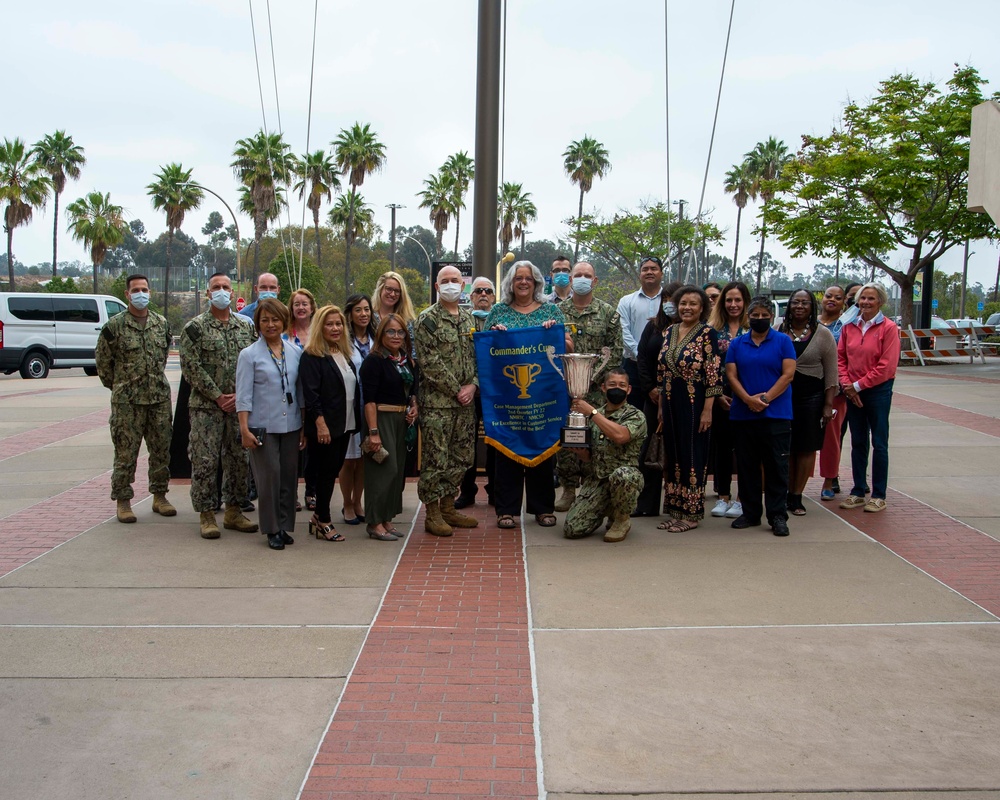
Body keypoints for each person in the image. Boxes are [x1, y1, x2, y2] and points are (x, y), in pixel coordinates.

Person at [484, 261, 568, 529]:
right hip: (507, 398)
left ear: (536, 283)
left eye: (528, 279)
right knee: (506, 451)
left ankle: (543, 508)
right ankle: (505, 510)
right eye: (518, 278)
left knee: (542, 447)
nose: (523, 282)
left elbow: (567, 347)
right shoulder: (498, 311)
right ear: (510, 282)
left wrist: (555, 334)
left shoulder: (552, 311)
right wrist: (495, 336)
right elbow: (485, 351)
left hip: (543, 396)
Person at [179, 272, 259, 539]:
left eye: (226, 287)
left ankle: (234, 510)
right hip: (206, 408)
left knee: (238, 459)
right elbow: (191, 367)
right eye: (217, 287)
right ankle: (206, 514)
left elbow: (253, 363)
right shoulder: (195, 327)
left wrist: (239, 396)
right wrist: (217, 396)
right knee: (205, 461)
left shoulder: (246, 326)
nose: (222, 291)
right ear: (208, 293)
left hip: (239, 406)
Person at [95, 273, 175, 523]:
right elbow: (103, 365)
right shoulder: (114, 327)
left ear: (150, 293)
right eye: (136, 290)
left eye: (145, 289)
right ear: (127, 295)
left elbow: (162, 356)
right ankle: (123, 500)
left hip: (158, 399)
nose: (141, 294)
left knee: (161, 450)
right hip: (127, 403)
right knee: (126, 453)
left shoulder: (161, 324)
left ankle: (159, 496)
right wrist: (122, 386)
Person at [414, 266, 479, 537]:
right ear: (437, 287)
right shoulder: (426, 320)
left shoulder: (469, 319)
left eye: (456, 280)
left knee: (461, 457)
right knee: (435, 459)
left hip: (465, 405)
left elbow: (479, 358)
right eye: (445, 281)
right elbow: (429, 363)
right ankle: (433, 513)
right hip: (438, 404)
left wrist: (473, 386)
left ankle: (448, 506)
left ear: (462, 286)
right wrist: (457, 389)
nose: (451, 284)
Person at [554, 261, 623, 512]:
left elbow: (615, 353)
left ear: (595, 282)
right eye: (578, 275)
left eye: (587, 275)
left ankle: (594, 487)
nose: (582, 279)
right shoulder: (556, 313)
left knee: (595, 438)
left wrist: (593, 380)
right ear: (571, 281)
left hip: (595, 391)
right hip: (564, 389)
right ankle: (569, 489)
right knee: (567, 437)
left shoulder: (608, 313)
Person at [236, 299, 305, 551]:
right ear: (257, 324)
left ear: (284, 321)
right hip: (261, 427)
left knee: (288, 478)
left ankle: (285, 525)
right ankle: (271, 528)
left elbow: (300, 392)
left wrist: (305, 426)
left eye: (275, 319)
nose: (270, 324)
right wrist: (244, 429)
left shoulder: (295, 351)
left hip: (291, 424)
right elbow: (243, 395)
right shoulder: (249, 355)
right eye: (264, 320)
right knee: (269, 479)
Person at [725, 296, 797, 536]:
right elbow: (731, 375)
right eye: (754, 315)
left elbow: (788, 375)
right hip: (743, 415)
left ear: (771, 317)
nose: (759, 319)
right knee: (747, 467)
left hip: (776, 414)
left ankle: (777, 516)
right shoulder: (737, 344)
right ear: (748, 317)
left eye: (764, 315)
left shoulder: (783, 341)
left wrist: (765, 399)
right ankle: (750, 513)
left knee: (776, 467)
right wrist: (747, 399)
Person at [655, 285, 722, 532]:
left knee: (692, 455)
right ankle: (675, 510)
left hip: (695, 402)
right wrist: (661, 405)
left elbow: (713, 376)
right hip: (670, 401)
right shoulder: (669, 331)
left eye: (693, 304)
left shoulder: (707, 333)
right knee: (673, 455)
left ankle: (692, 514)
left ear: (702, 307)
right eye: (683, 303)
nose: (687, 308)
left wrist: (708, 411)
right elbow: (661, 372)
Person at [300, 305, 363, 541]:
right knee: (325, 473)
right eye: (329, 324)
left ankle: (318, 516)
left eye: (338, 324)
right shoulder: (312, 355)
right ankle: (323, 519)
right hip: (325, 426)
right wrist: (320, 423)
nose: (335, 328)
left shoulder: (343, 353)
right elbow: (311, 394)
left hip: (344, 424)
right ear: (319, 327)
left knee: (332, 471)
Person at [562, 369, 647, 542]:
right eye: (612, 384)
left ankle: (621, 519)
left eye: (622, 385)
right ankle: (606, 508)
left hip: (624, 480)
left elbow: (620, 436)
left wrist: (593, 413)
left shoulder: (635, 415)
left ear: (629, 389)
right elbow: (589, 457)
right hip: (598, 480)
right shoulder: (592, 416)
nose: (617, 388)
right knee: (572, 529)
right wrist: (581, 453)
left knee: (624, 476)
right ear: (603, 387)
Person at [837, 282, 900, 513]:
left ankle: (879, 494)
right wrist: (847, 385)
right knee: (858, 442)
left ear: (880, 302)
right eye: (863, 298)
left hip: (878, 391)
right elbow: (840, 357)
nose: (865, 303)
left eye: (871, 299)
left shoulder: (889, 328)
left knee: (879, 443)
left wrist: (857, 385)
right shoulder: (848, 326)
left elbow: (886, 366)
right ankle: (857, 491)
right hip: (852, 392)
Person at [779, 289, 838, 516]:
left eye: (805, 302)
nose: (800, 306)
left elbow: (832, 373)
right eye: (796, 302)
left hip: (812, 399)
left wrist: (827, 405)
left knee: (805, 448)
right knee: (785, 447)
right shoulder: (779, 331)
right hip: (783, 397)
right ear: (789, 306)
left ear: (813, 307)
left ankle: (796, 496)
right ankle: (783, 493)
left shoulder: (823, 335)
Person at [360, 314, 419, 540]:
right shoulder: (374, 361)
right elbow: (369, 400)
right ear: (381, 334)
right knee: (384, 470)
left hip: (401, 421)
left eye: (400, 332)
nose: (396, 336)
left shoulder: (405, 360)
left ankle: (387, 519)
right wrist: (373, 432)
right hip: (380, 419)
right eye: (390, 332)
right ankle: (374, 522)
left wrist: (414, 407)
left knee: (397, 473)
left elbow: (412, 391)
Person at [633, 281, 681, 517]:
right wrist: (650, 388)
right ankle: (646, 505)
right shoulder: (653, 327)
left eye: (675, 300)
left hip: (682, 400)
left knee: (676, 452)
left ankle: (676, 504)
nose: (669, 304)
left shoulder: (693, 330)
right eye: (666, 299)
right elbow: (642, 358)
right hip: (652, 399)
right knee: (648, 451)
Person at [706, 281, 750, 520]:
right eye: (729, 300)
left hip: (748, 396)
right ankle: (723, 496)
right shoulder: (712, 329)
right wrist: (715, 394)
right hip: (720, 396)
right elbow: (708, 365)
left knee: (745, 449)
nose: (733, 305)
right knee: (722, 447)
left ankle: (742, 498)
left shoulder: (753, 328)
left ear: (745, 302)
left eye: (738, 300)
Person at [455, 276, 497, 509]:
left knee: (495, 443)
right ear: (470, 296)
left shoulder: (503, 322)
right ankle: (467, 492)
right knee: (466, 443)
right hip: (467, 394)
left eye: (488, 291)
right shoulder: (461, 322)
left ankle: (494, 491)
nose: (483, 294)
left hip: (494, 395)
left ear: (493, 297)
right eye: (478, 290)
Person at [338, 293, 376, 524]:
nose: (363, 314)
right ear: (350, 314)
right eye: (358, 310)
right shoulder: (342, 339)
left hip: (370, 405)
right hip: (348, 405)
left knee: (364, 458)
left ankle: (358, 500)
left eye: (367, 310)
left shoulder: (376, 338)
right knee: (348, 459)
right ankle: (346, 503)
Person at [617, 255, 664, 409]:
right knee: (632, 409)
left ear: (661, 273)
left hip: (664, 367)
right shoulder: (626, 301)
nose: (649, 272)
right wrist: (641, 355)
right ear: (640, 274)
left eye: (654, 269)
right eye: (645, 269)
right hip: (633, 366)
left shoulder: (671, 301)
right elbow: (623, 331)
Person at [817, 284, 849, 500]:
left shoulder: (846, 326)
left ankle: (829, 480)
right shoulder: (812, 323)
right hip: (807, 388)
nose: (832, 300)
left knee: (831, 438)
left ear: (843, 302)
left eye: (838, 298)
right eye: (829, 296)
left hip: (835, 391)